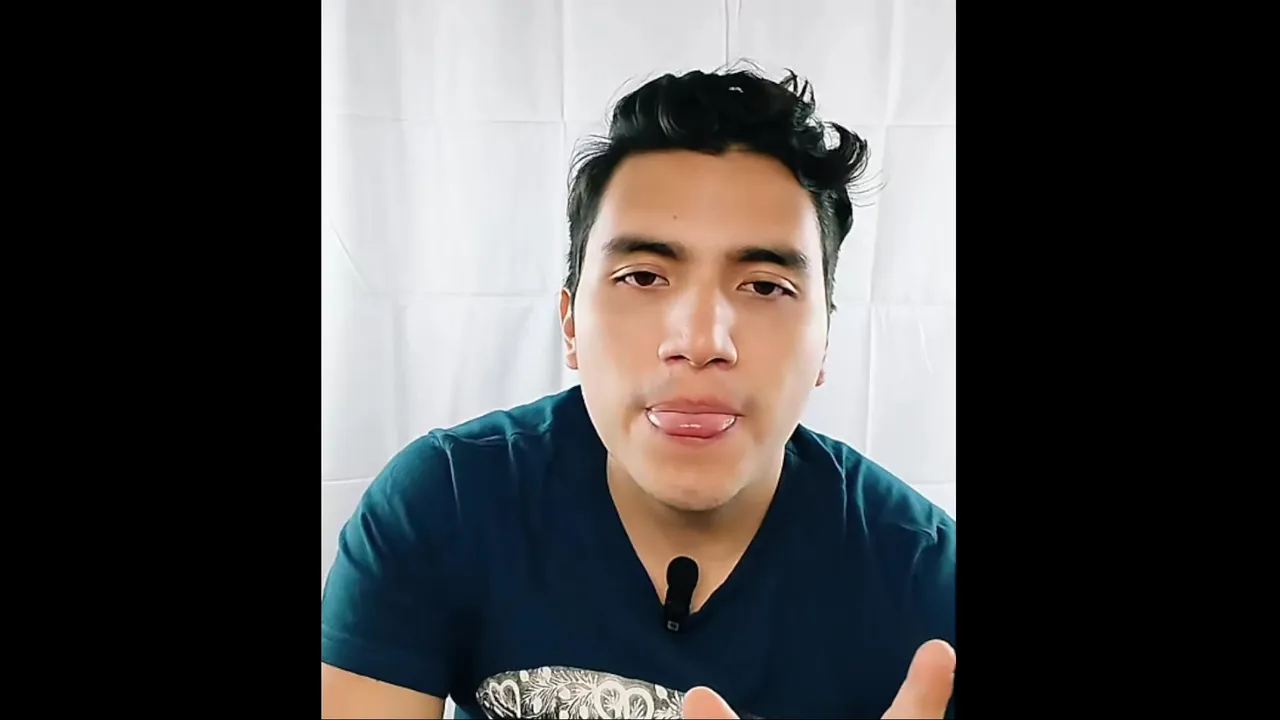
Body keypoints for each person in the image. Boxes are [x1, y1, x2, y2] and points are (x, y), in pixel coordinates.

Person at [320, 67, 956, 720]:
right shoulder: (447, 501)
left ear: (824, 342)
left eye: (766, 286)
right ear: (571, 323)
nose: (701, 340)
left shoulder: (927, 577)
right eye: (643, 277)